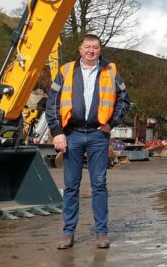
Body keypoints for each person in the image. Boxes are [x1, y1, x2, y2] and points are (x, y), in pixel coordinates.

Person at [45, 34, 131, 250]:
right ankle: (68, 233)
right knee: (71, 186)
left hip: (98, 136)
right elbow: (52, 103)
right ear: (80, 49)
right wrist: (57, 132)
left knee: (99, 185)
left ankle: (101, 233)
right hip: (71, 134)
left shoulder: (110, 71)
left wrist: (112, 123)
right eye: (87, 47)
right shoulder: (65, 71)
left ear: (100, 50)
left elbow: (124, 100)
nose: (91, 51)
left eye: (95, 47)